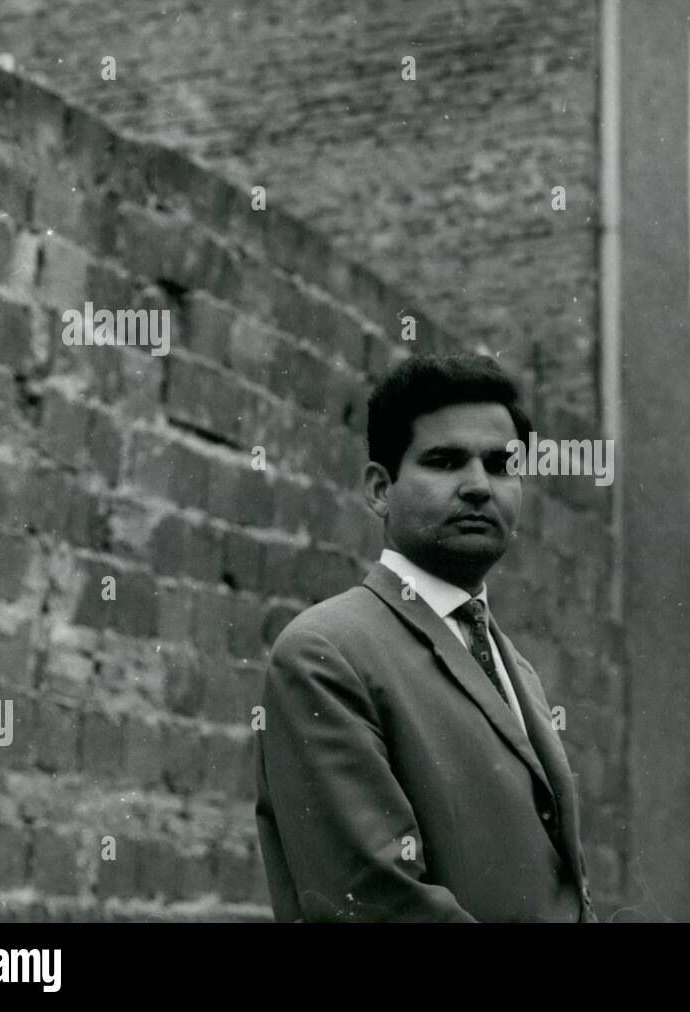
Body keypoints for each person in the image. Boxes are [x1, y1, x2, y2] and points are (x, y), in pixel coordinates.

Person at [254, 352, 597, 922]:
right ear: (379, 489)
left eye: (501, 464)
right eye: (444, 461)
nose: (479, 487)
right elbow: (377, 900)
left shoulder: (518, 671)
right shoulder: (325, 652)